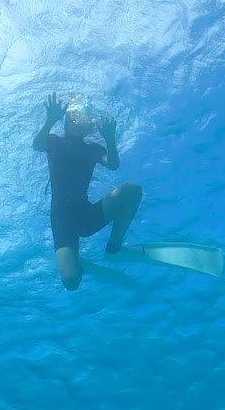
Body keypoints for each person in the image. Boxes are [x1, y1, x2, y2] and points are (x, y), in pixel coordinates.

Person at [33, 94, 143, 291]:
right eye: (75, 116)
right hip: (62, 221)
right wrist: (50, 119)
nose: (81, 120)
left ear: (91, 126)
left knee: (133, 190)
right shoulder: (54, 141)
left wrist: (110, 139)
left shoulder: (93, 148)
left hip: (86, 214)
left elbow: (112, 164)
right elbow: (37, 145)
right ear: (66, 120)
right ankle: (79, 264)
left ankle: (114, 248)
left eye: (85, 117)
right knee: (71, 282)